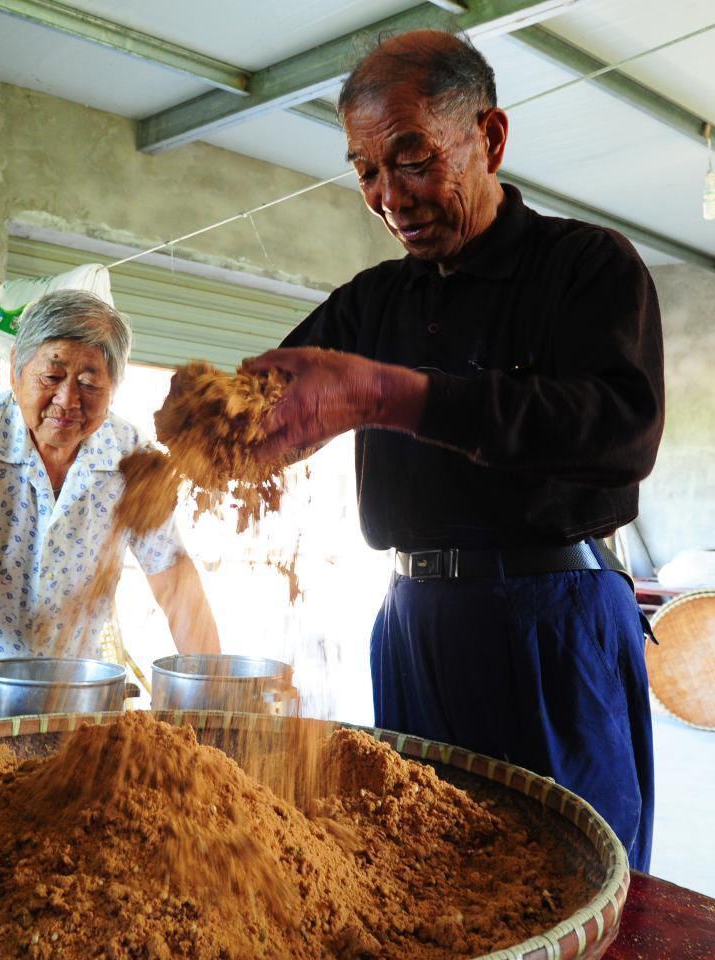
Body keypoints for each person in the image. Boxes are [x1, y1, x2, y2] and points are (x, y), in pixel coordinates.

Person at [241, 30, 663, 871]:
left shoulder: (585, 267)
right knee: (421, 870)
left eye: (412, 157)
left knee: (566, 876)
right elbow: (265, 398)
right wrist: (218, 425)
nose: (389, 195)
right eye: (365, 170)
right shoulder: (373, 301)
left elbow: (620, 430)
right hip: (414, 620)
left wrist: (391, 395)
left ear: (491, 138)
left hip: (554, 615)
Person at [0, 289, 220, 673]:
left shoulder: (132, 455)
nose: (67, 400)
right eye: (51, 376)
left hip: (64, 683)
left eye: (90, 383)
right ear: (16, 368)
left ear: (114, 387)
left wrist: (214, 690)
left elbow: (175, 581)